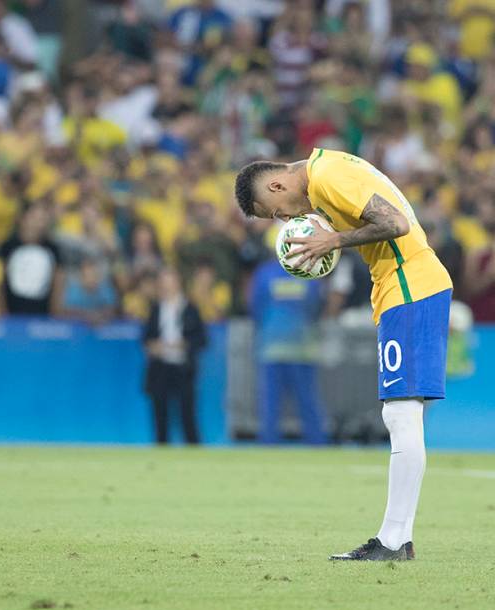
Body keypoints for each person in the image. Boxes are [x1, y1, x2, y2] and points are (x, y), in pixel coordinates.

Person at [234, 147, 453, 561]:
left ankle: (393, 541)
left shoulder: (327, 175)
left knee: (401, 413)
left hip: (409, 285)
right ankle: (396, 539)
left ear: (277, 185)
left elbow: (395, 223)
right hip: (407, 285)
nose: (283, 219)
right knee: (403, 413)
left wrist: (332, 240)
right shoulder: (329, 170)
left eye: (274, 211)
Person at [249, 253, 328, 445]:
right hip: (302, 349)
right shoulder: (309, 270)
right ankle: (318, 445)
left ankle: (268, 447)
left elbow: (255, 307)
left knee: (270, 404)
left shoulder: (264, 273)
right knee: (307, 402)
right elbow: (316, 306)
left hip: (271, 347)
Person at [142, 267, 207, 445]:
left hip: (183, 368)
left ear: (178, 284)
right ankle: (161, 451)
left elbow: (202, 339)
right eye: (163, 284)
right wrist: (153, 346)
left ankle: (195, 454)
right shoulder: (155, 309)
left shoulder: (190, 309)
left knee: (188, 415)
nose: (166, 288)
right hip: (160, 367)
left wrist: (184, 344)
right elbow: (145, 337)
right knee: (159, 416)